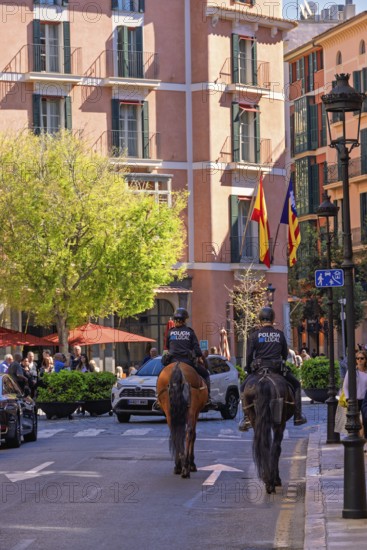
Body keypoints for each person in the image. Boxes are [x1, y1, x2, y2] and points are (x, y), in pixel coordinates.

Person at [238, 307, 307, 431]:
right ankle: (298, 416)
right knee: (296, 384)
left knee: (243, 387)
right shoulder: (279, 335)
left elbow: (249, 356)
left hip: (259, 370)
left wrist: (248, 368)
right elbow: (285, 354)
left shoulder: (254, 336)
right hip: (276, 369)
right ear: (273, 319)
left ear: (260, 319)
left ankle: (247, 417)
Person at [163, 307, 211, 403]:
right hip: (187, 362)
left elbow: (167, 347)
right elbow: (197, 351)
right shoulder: (190, 332)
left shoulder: (170, 332)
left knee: (161, 376)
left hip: (172, 362)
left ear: (174, 320)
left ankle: (159, 399)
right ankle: (207, 398)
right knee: (206, 374)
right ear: (185, 320)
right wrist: (198, 355)